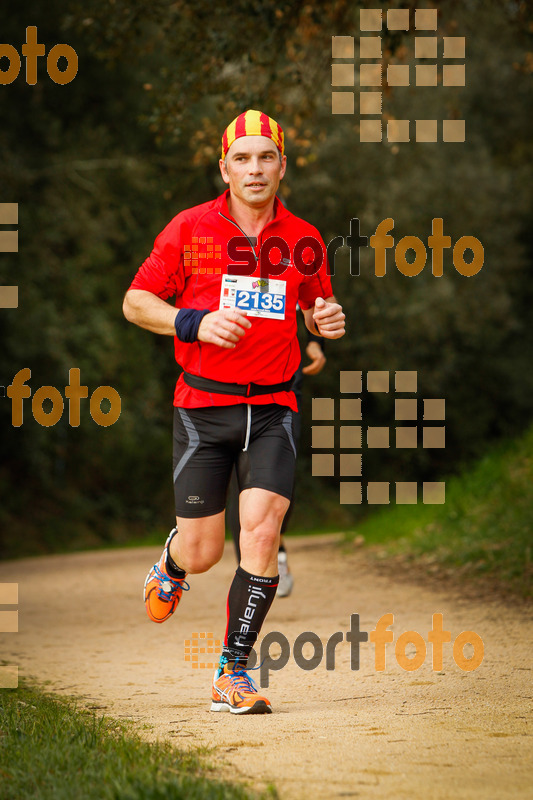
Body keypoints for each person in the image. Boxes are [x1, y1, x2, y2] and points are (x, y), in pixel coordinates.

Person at [123, 109, 345, 715]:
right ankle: (172, 562)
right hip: (203, 407)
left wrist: (324, 320)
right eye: (242, 159)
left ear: (280, 165)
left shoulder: (304, 237)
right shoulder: (189, 229)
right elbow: (135, 301)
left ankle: (233, 671)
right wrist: (193, 321)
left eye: (265, 157)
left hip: (273, 406)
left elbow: (314, 304)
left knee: (264, 530)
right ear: (224, 167)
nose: (254, 169)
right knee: (204, 552)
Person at [227, 331, 326, 597]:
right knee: (243, 482)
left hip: (284, 389)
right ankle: (251, 572)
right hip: (231, 383)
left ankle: (275, 549)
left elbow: (318, 298)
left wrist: (316, 342)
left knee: (279, 482)